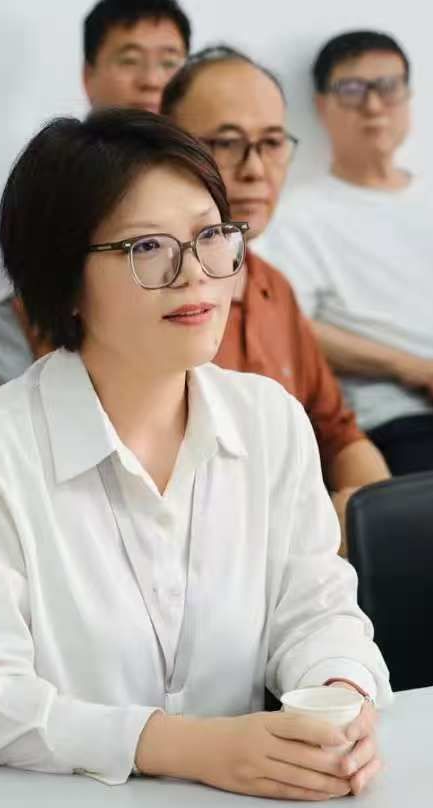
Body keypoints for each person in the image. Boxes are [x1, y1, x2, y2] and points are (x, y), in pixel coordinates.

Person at [0, 110, 391, 800]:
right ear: (66, 280)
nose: (195, 276)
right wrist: (190, 748)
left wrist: (339, 693)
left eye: (211, 237)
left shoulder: (269, 420)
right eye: (148, 247)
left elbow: (315, 610)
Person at [255, 31, 433, 475]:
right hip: (399, 422)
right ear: (321, 106)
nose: (374, 106)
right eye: (352, 90)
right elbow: (288, 326)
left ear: (408, 96)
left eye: (388, 87)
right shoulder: (296, 215)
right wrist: (410, 368)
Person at [161, 46, 389, 544]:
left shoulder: (274, 287)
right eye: (227, 143)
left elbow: (339, 434)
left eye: (271, 143)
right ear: (168, 149)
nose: (256, 169)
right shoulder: (148, 295)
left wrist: (377, 517)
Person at [0, 0, 192, 386]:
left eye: (169, 62)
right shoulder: (47, 179)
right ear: (88, 75)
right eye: (130, 60)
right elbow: (52, 345)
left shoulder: (192, 181)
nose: (152, 80)